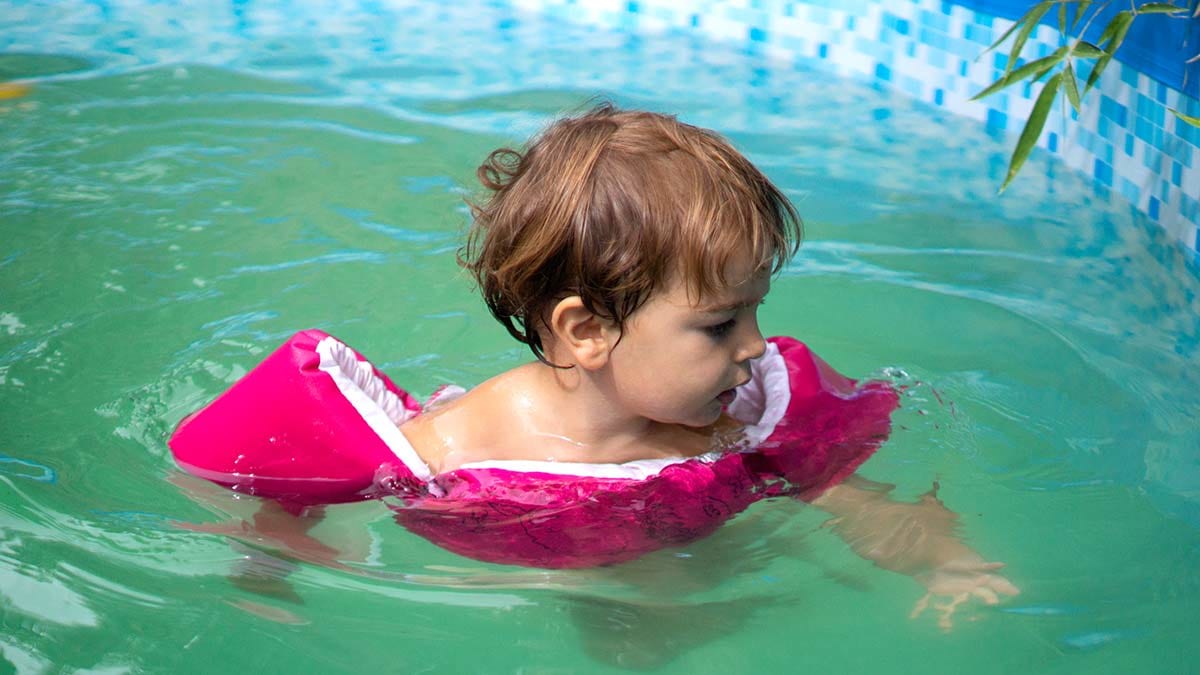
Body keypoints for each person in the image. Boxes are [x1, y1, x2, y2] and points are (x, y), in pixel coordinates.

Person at [173, 103, 1017, 630]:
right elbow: (315, 486)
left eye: (756, 310)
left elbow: (848, 496)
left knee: (662, 623)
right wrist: (270, 560)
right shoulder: (460, 447)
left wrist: (945, 559)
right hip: (553, 547)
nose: (757, 346)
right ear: (586, 331)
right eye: (721, 322)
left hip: (652, 545)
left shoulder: (739, 418)